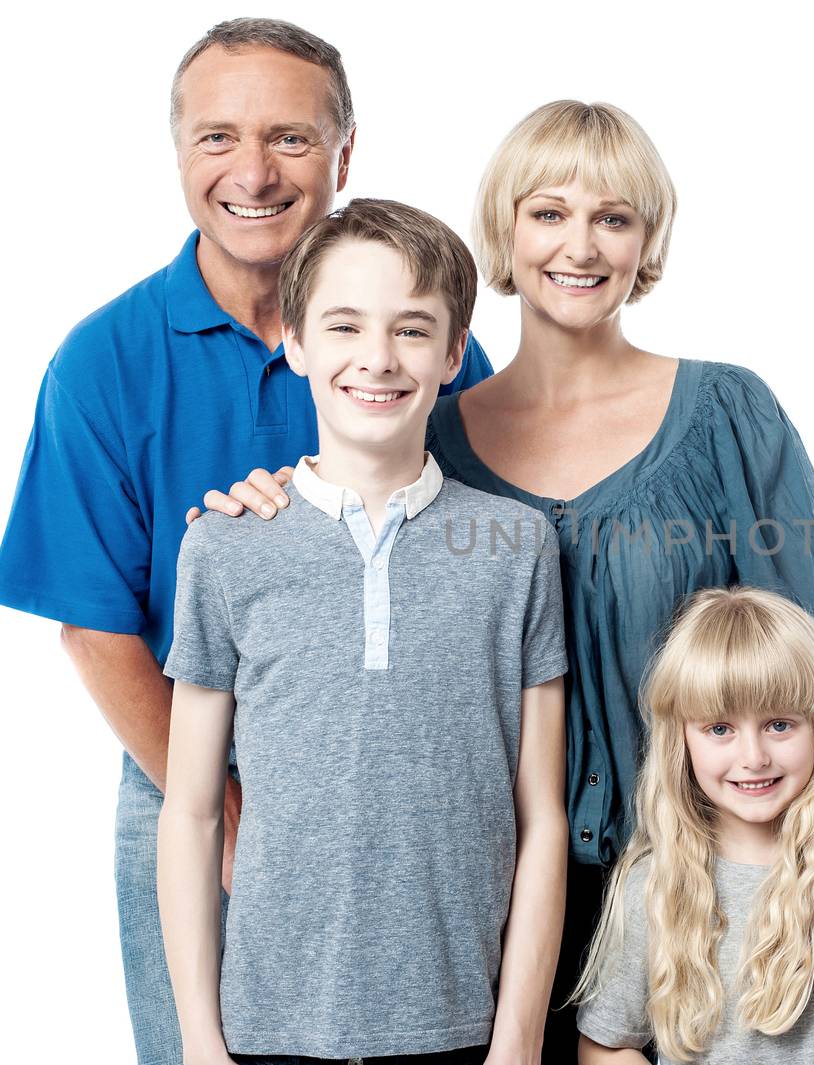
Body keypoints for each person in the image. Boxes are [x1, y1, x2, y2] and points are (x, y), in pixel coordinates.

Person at [202, 100, 814, 1064]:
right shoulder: (424, 424)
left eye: (614, 216)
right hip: (488, 899)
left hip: (696, 876)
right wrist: (262, 497)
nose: (581, 244)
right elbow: (338, 511)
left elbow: (805, 661)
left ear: (647, 240)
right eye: (548, 212)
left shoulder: (730, 413)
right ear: (506, 232)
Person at [0, 19, 493, 1065]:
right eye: (217, 138)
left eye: (291, 140)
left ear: (346, 153)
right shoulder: (105, 360)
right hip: (187, 766)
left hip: (398, 770)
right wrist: (220, 809)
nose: (252, 172)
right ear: (178, 153)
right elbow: (94, 628)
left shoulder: (424, 343)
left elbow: (481, 548)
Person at [158, 198, 567, 1064]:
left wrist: (519, 1039)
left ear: (455, 354)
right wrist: (200, 1041)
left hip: (461, 1031)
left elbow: (541, 818)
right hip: (266, 1030)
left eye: (414, 330)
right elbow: (192, 812)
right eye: (344, 326)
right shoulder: (225, 548)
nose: (377, 358)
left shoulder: (515, 548)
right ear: (296, 343)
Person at [573, 587, 814, 1065]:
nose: (754, 758)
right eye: (720, 729)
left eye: (780, 724)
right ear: (681, 740)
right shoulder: (652, 884)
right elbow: (607, 1045)